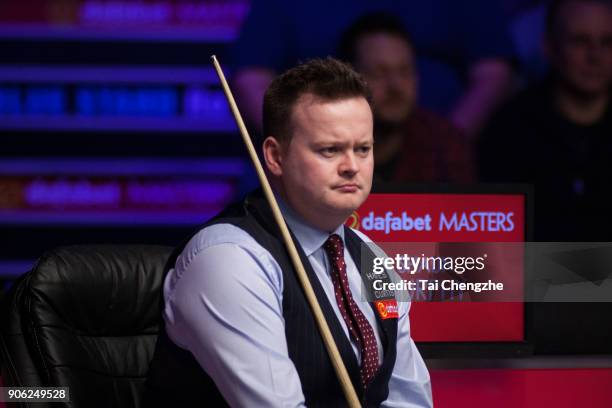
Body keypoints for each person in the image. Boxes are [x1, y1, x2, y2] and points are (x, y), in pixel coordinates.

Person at [146, 58, 432, 407]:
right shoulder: (229, 260)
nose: (351, 166)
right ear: (275, 156)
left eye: (363, 149)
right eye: (330, 150)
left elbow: (409, 398)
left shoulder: (372, 260)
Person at [478, 0, 612, 355]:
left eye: (607, 42)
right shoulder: (509, 129)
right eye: (581, 41)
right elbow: (500, 264)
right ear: (550, 47)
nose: (595, 55)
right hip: (535, 324)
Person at [230, 0, 516, 139]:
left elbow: (494, 74)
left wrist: (445, 144)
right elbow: (250, 80)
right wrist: (305, 147)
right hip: (314, 146)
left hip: (434, 152)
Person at [338, 13, 475, 184]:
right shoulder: (321, 145)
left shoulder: (444, 145)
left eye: (404, 71)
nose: (396, 86)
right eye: (379, 73)